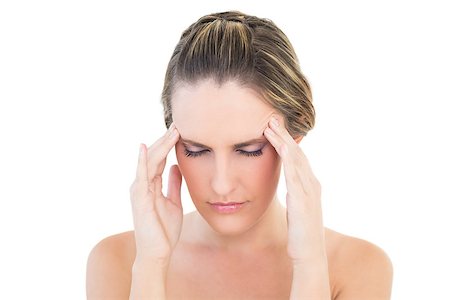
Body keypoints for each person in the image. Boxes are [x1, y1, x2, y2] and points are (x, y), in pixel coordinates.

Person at [86, 10, 393, 299]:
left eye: (249, 151)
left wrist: (310, 263)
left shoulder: (357, 266)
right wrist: (151, 266)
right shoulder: (118, 261)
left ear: (293, 140)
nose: (221, 184)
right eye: (196, 150)